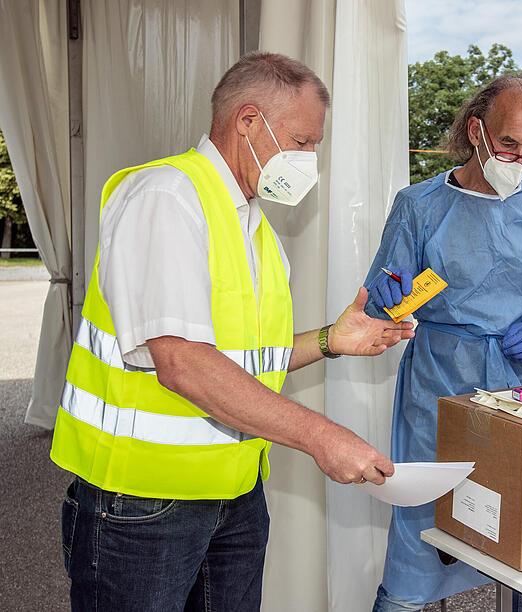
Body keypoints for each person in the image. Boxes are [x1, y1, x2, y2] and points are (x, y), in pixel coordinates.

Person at [50, 52, 414, 610]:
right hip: (145, 501)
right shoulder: (166, 197)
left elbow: (241, 358)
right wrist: (322, 436)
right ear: (249, 122)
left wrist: (327, 341)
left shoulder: (253, 224)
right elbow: (183, 362)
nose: (309, 160)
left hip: (235, 492)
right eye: (302, 141)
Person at [365, 73, 522, 611]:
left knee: (521, 519)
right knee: (421, 520)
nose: (520, 159)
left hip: (517, 389)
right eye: (509, 144)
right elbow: (378, 305)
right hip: (438, 384)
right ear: (476, 132)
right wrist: (387, 298)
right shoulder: (419, 205)